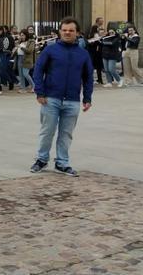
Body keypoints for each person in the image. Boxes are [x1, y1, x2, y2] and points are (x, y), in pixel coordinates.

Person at [31, 17, 94, 177]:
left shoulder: (83, 54)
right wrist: (40, 92)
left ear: (77, 33)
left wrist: (87, 98)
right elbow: (38, 70)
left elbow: (88, 77)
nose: (67, 33)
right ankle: (42, 159)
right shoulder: (50, 50)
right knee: (47, 131)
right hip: (51, 98)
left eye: (71, 30)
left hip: (72, 100)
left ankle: (62, 162)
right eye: (64, 30)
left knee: (66, 134)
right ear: (60, 31)